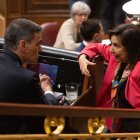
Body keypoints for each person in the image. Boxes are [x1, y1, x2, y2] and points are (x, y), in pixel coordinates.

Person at [78, 23, 140, 133]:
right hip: (111, 119)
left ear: (131, 47)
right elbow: (95, 46)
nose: (111, 49)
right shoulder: (116, 56)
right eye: (111, 44)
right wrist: (83, 57)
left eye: (117, 45)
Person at [0, 18, 58, 134]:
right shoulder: (26, 78)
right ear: (23, 45)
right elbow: (49, 115)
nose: (40, 49)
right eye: (38, 44)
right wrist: (47, 89)